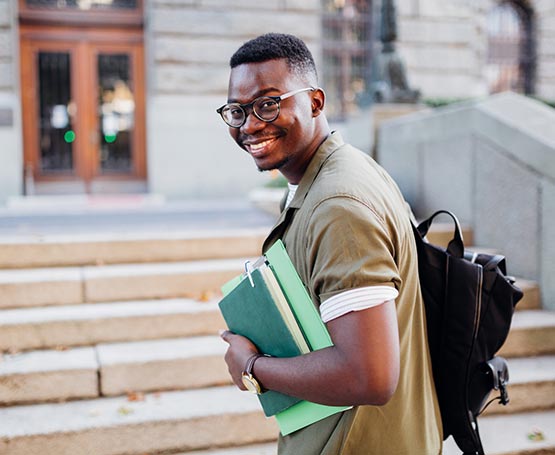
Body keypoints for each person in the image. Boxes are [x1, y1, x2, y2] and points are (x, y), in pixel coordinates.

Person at [218, 33, 442, 454]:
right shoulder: (341, 171)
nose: (249, 125)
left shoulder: (338, 206)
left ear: (315, 102)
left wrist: (252, 367)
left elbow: (369, 376)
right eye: (237, 110)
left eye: (268, 104)